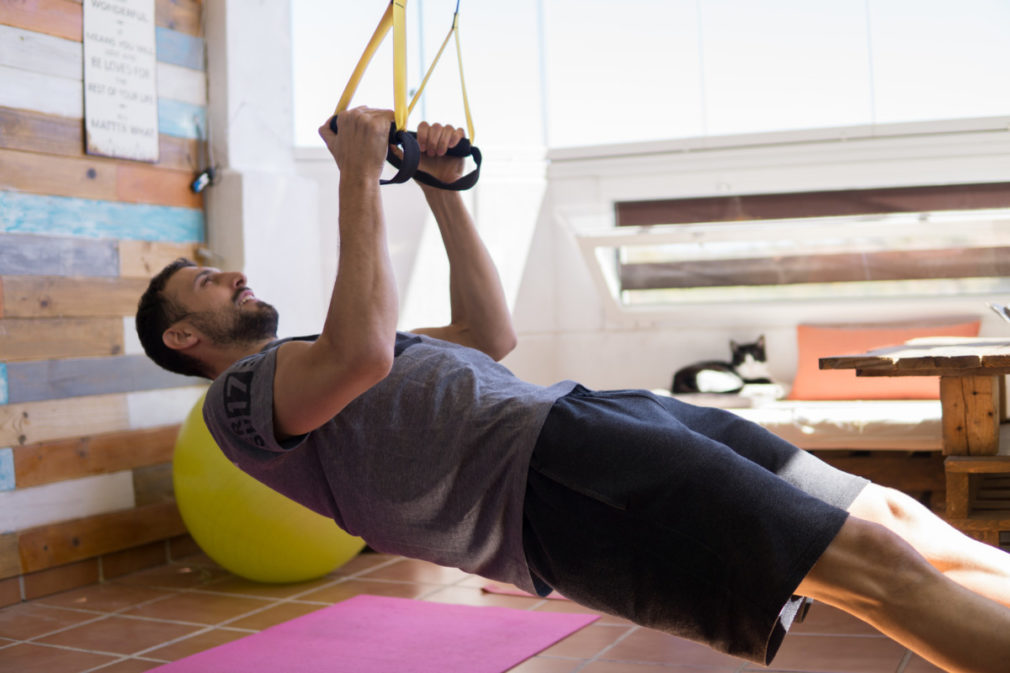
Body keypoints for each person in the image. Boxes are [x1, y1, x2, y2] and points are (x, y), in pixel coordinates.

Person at [136, 107, 1010, 673]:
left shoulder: (305, 351)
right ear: (183, 336)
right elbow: (363, 352)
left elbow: (490, 334)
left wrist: (443, 196)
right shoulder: (237, 404)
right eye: (205, 282)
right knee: (869, 568)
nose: (232, 274)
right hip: (550, 483)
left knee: (888, 518)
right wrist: (358, 175)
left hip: (581, 417)